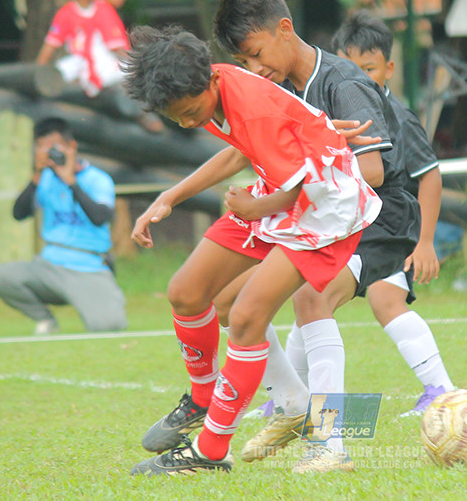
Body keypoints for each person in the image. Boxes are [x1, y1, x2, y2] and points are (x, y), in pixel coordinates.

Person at [122, 24, 381, 476]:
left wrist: (251, 206)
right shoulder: (214, 82)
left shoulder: (250, 105)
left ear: (212, 83)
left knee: (245, 316)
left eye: (190, 111)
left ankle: (210, 450)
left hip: (323, 208)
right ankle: (207, 400)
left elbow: (298, 189)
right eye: (177, 118)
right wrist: (169, 197)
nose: (189, 123)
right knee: (187, 291)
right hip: (279, 192)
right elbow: (239, 153)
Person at [198, 0, 422, 472]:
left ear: (284, 28)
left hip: (377, 218)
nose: (253, 68)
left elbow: (371, 170)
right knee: (228, 302)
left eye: (255, 54)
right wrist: (172, 195)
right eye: (241, 61)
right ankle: (291, 402)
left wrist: (292, 181)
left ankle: (329, 442)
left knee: (310, 295)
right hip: (321, 216)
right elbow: (239, 152)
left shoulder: (343, 82)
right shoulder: (276, 90)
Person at [330, 9, 456, 411]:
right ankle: (290, 399)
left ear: (389, 67)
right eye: (349, 68)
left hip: (389, 221)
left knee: (320, 299)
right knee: (325, 300)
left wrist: (426, 243)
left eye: (369, 69)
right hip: (353, 219)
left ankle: (300, 406)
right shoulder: (336, 109)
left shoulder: (397, 117)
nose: (359, 78)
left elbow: (430, 176)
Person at [0, 117, 126, 334]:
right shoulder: (44, 178)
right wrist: (36, 175)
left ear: (72, 147)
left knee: (109, 326)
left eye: (53, 147)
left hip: (88, 266)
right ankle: (46, 321)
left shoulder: (97, 179)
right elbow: (19, 213)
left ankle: (103, 299)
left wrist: (71, 181)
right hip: (49, 266)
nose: (49, 153)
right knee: (2, 276)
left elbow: (101, 217)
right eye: (42, 147)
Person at [35, 0, 129, 99]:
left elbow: (117, 48)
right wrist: (36, 75)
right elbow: (49, 47)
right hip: (78, 65)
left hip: (105, 64)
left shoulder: (104, 9)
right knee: (64, 69)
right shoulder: (65, 14)